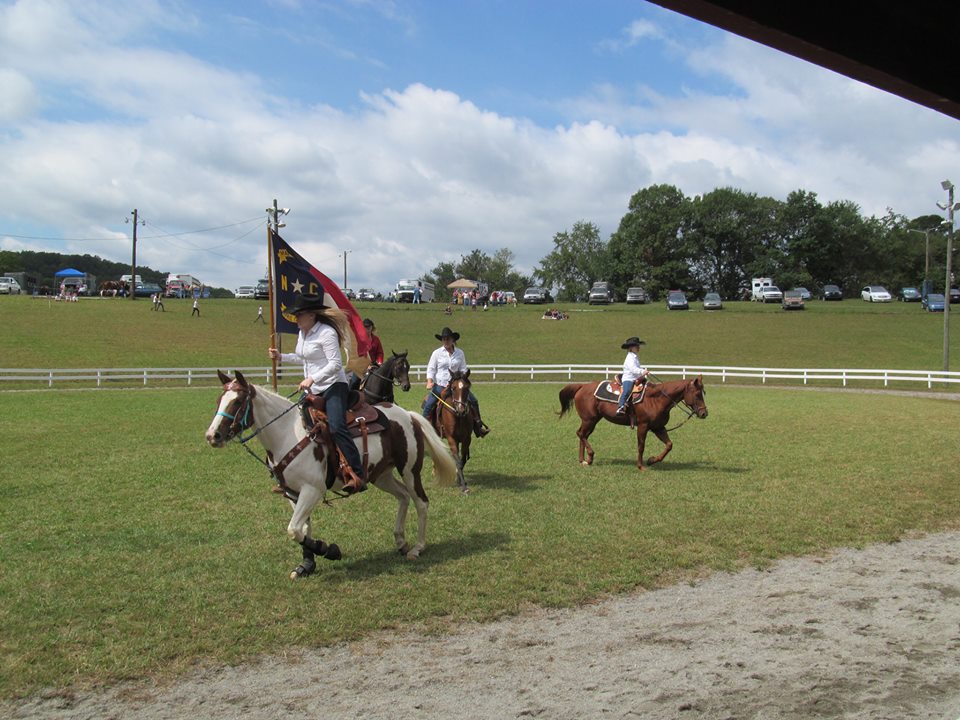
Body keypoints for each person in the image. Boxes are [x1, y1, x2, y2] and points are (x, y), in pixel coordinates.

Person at [268, 293, 366, 494]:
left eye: (299, 314)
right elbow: (304, 357)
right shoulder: (303, 333)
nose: (296, 318)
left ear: (312, 315)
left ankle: (357, 474)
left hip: (333, 386)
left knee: (337, 427)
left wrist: (312, 378)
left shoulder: (326, 333)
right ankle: (293, 474)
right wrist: (281, 357)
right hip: (313, 389)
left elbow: (335, 364)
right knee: (296, 425)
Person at [422, 326, 490, 438]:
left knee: (473, 401)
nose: (446, 341)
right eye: (444, 339)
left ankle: (478, 427)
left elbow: (463, 368)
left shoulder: (460, 353)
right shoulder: (436, 353)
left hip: (456, 386)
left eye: (448, 339)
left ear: (453, 339)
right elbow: (431, 368)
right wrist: (429, 381)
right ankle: (422, 429)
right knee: (429, 405)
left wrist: (463, 380)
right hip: (441, 385)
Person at [617, 337, 649, 415]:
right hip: (629, 378)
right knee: (627, 390)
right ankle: (621, 406)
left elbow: (637, 368)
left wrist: (643, 372)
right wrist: (642, 371)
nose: (638, 347)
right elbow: (633, 369)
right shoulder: (629, 358)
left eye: (638, 346)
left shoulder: (635, 357)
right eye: (636, 346)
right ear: (631, 348)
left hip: (636, 378)